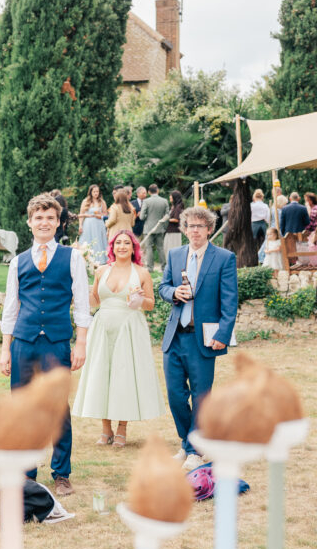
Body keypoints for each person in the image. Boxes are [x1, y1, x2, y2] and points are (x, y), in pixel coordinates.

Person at [0, 195, 91, 496]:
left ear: (58, 222)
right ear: (29, 222)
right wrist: (5, 349)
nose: (44, 222)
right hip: (24, 342)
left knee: (57, 407)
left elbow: (81, 304)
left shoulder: (72, 257)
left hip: (56, 341)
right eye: (39, 217)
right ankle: (26, 473)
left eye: (50, 218)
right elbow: (11, 307)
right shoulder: (18, 261)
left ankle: (61, 473)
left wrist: (81, 343)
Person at [158, 206, 239, 471]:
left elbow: (229, 301)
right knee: (175, 395)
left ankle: (194, 450)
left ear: (209, 229)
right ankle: (187, 442)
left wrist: (223, 334)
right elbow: (163, 287)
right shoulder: (175, 254)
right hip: (175, 336)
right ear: (184, 229)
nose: (195, 231)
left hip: (202, 338)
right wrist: (173, 292)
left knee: (201, 395)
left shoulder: (224, 258)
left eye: (200, 226)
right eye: (190, 226)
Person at [73, 230, 162, 447]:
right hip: (103, 327)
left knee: (125, 376)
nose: (122, 246)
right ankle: (106, 429)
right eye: (118, 243)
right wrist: (80, 288)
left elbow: (151, 304)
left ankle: (122, 428)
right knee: (102, 374)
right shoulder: (101, 270)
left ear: (133, 248)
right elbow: (95, 300)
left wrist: (139, 301)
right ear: (112, 247)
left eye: (127, 243)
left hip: (129, 327)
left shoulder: (142, 273)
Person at [139, 184, 169, 270]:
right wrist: (164, 226)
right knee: (160, 248)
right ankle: (163, 267)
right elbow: (167, 215)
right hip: (160, 227)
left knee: (149, 248)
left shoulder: (146, 201)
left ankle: (150, 268)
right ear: (158, 190)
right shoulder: (164, 201)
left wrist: (146, 216)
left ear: (148, 192)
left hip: (148, 229)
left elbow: (141, 217)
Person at [78, 184, 108, 265]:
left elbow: (105, 215)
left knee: (99, 241)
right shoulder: (85, 201)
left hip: (99, 224)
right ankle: (87, 260)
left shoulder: (102, 202)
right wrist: (80, 225)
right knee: (88, 241)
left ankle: (101, 260)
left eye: (97, 191)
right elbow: (81, 214)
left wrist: (101, 215)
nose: (96, 193)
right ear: (90, 192)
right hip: (88, 224)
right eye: (94, 191)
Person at [164, 190, 185, 261]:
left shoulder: (179, 207)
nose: (170, 199)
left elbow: (177, 219)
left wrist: (167, 220)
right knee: (167, 248)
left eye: (171, 198)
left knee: (173, 248)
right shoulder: (174, 206)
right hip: (170, 230)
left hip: (175, 231)